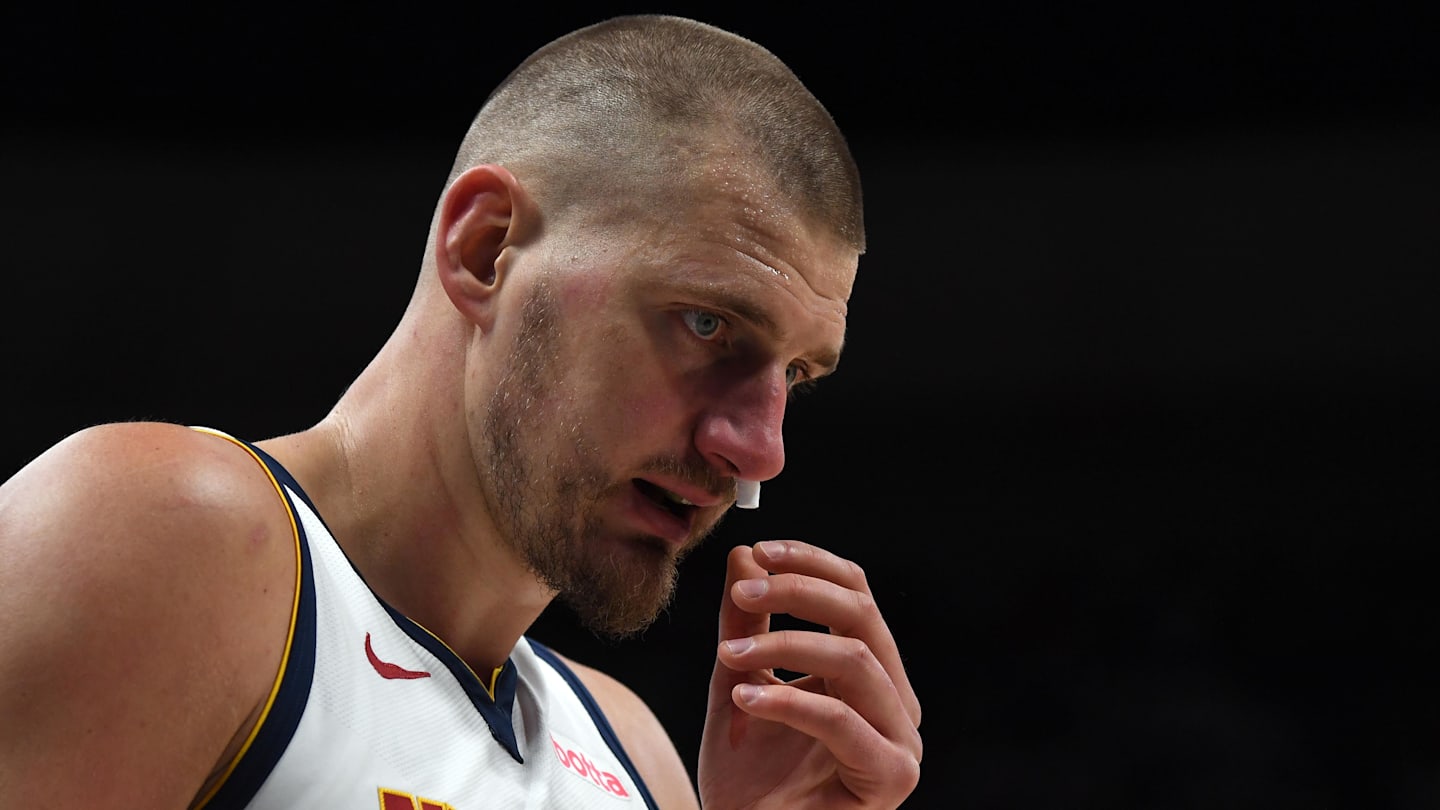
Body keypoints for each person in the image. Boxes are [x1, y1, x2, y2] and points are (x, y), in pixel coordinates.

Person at [0, 13, 922, 809]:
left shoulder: (633, 756)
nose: (760, 449)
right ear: (485, 249)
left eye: (797, 374)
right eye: (707, 324)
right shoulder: (167, 540)